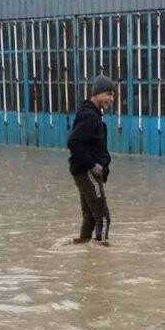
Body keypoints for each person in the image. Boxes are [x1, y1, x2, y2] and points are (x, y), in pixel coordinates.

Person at [67, 76, 117, 245]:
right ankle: (102, 254)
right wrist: (92, 165)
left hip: (83, 172)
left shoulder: (91, 114)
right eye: (108, 94)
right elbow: (73, 142)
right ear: (97, 94)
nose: (111, 99)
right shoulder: (89, 116)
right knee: (103, 217)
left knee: (90, 215)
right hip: (87, 172)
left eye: (113, 95)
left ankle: (85, 248)